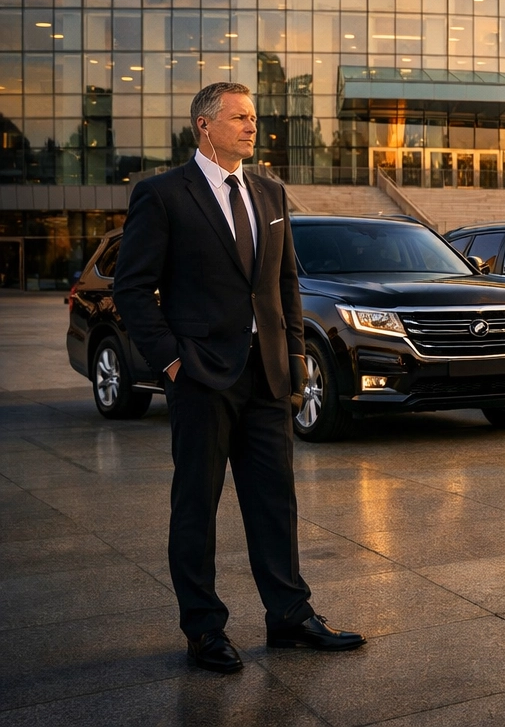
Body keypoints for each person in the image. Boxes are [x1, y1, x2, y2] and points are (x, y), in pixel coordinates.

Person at [114, 82, 364, 673]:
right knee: (196, 506)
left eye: (255, 117)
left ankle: (290, 618)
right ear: (205, 126)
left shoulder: (270, 192)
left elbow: (285, 284)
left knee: (275, 502)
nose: (253, 127)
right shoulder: (162, 194)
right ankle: (205, 630)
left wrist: (296, 359)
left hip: (268, 375)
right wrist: (173, 363)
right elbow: (132, 288)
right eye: (240, 117)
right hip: (202, 377)